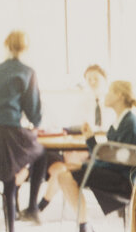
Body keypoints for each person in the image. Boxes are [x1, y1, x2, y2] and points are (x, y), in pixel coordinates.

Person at [50, 79, 136, 232]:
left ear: (120, 95)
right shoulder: (122, 122)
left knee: (66, 176)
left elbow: (116, 161)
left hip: (126, 181)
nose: (106, 95)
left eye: (110, 92)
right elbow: (106, 155)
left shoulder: (130, 124)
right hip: (118, 174)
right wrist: (90, 139)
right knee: (65, 176)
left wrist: (84, 165)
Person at [0, 29, 47, 232]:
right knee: (40, 152)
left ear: (6, 46)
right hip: (7, 127)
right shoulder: (26, 71)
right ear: (27, 49)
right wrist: (36, 123)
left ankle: (11, 230)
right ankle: (32, 207)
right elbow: (33, 109)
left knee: (9, 172)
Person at [38, 64, 110, 212]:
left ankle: (42, 205)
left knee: (66, 167)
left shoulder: (112, 103)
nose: (92, 82)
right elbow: (75, 129)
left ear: (105, 80)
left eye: (96, 78)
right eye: (89, 79)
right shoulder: (82, 103)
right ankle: (42, 205)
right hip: (84, 147)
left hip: (104, 152)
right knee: (63, 166)